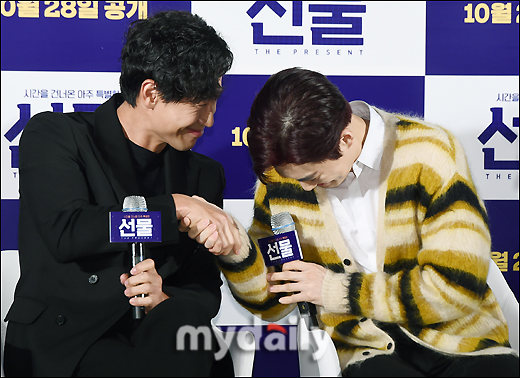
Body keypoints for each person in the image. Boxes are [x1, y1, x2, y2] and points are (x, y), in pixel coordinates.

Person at [215, 67, 519, 376]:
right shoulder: (281, 179)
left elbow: (456, 287)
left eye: (313, 177)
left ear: (345, 139)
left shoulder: (429, 152)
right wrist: (238, 252)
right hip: (366, 351)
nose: (304, 188)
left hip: (463, 339)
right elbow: (272, 302)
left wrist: (335, 290)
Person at [3, 10, 241, 377]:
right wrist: (173, 209)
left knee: (199, 344)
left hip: (161, 335)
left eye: (214, 102)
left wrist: (164, 299)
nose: (209, 120)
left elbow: (204, 287)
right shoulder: (56, 135)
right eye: (200, 104)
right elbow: (70, 232)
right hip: (68, 343)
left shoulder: (204, 175)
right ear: (150, 93)